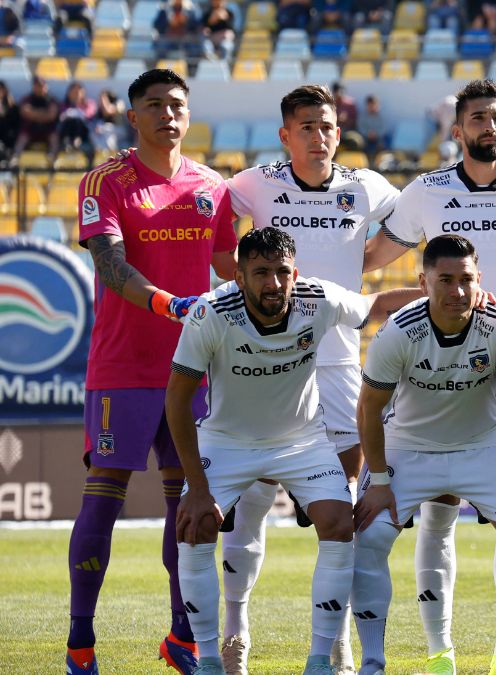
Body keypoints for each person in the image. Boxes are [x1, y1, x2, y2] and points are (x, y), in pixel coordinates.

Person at [363, 78, 496, 675]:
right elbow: (370, 256)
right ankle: (439, 652)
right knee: (436, 514)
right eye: (475, 117)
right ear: (457, 130)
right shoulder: (426, 192)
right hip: (432, 370)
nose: (487, 125)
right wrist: (411, 293)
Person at [217, 83, 407, 675]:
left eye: (327, 127)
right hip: (263, 363)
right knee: (246, 503)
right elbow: (217, 228)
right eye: (307, 127)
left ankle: (336, 641)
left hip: (340, 364)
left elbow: (411, 223)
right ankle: (233, 630)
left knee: (342, 506)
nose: (319, 137)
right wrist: (243, 290)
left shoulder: (366, 185)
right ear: (285, 134)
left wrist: (360, 268)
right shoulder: (255, 181)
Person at [166, 227, 404, 675]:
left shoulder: (320, 299)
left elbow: (374, 306)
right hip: (227, 442)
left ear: (295, 273)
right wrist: (197, 487)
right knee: (193, 526)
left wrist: (434, 289)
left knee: (338, 522)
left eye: (280, 273)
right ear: (238, 277)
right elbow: (177, 398)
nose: (272, 284)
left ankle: (320, 660)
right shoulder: (210, 312)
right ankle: (211, 661)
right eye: (260, 273)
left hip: (302, 442)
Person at [67, 68, 238, 675]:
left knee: (188, 506)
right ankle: (80, 642)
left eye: (177, 105)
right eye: (154, 105)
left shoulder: (213, 187)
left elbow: (228, 264)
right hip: (122, 367)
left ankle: (182, 639)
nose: (168, 114)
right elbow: (110, 264)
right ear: (132, 116)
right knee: (102, 505)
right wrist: (166, 302)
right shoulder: (105, 181)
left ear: (188, 116)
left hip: (192, 371)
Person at [352, 234, 496, 675]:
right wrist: (380, 482)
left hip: (482, 447)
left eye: (467, 280)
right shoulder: (399, 330)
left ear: (479, 280)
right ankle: (373, 662)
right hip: (408, 448)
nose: (458, 291)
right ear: (423, 282)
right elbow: (369, 408)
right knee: (369, 539)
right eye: (446, 280)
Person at [14, 76, 60, 156]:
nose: (40, 88)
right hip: (30, 128)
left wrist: (34, 113)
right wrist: (43, 114)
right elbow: (25, 112)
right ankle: (15, 158)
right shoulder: (28, 98)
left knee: (54, 137)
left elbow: (52, 115)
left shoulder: (52, 99)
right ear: (34, 86)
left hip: (47, 129)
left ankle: (53, 159)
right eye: (37, 85)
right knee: (22, 137)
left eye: (42, 85)